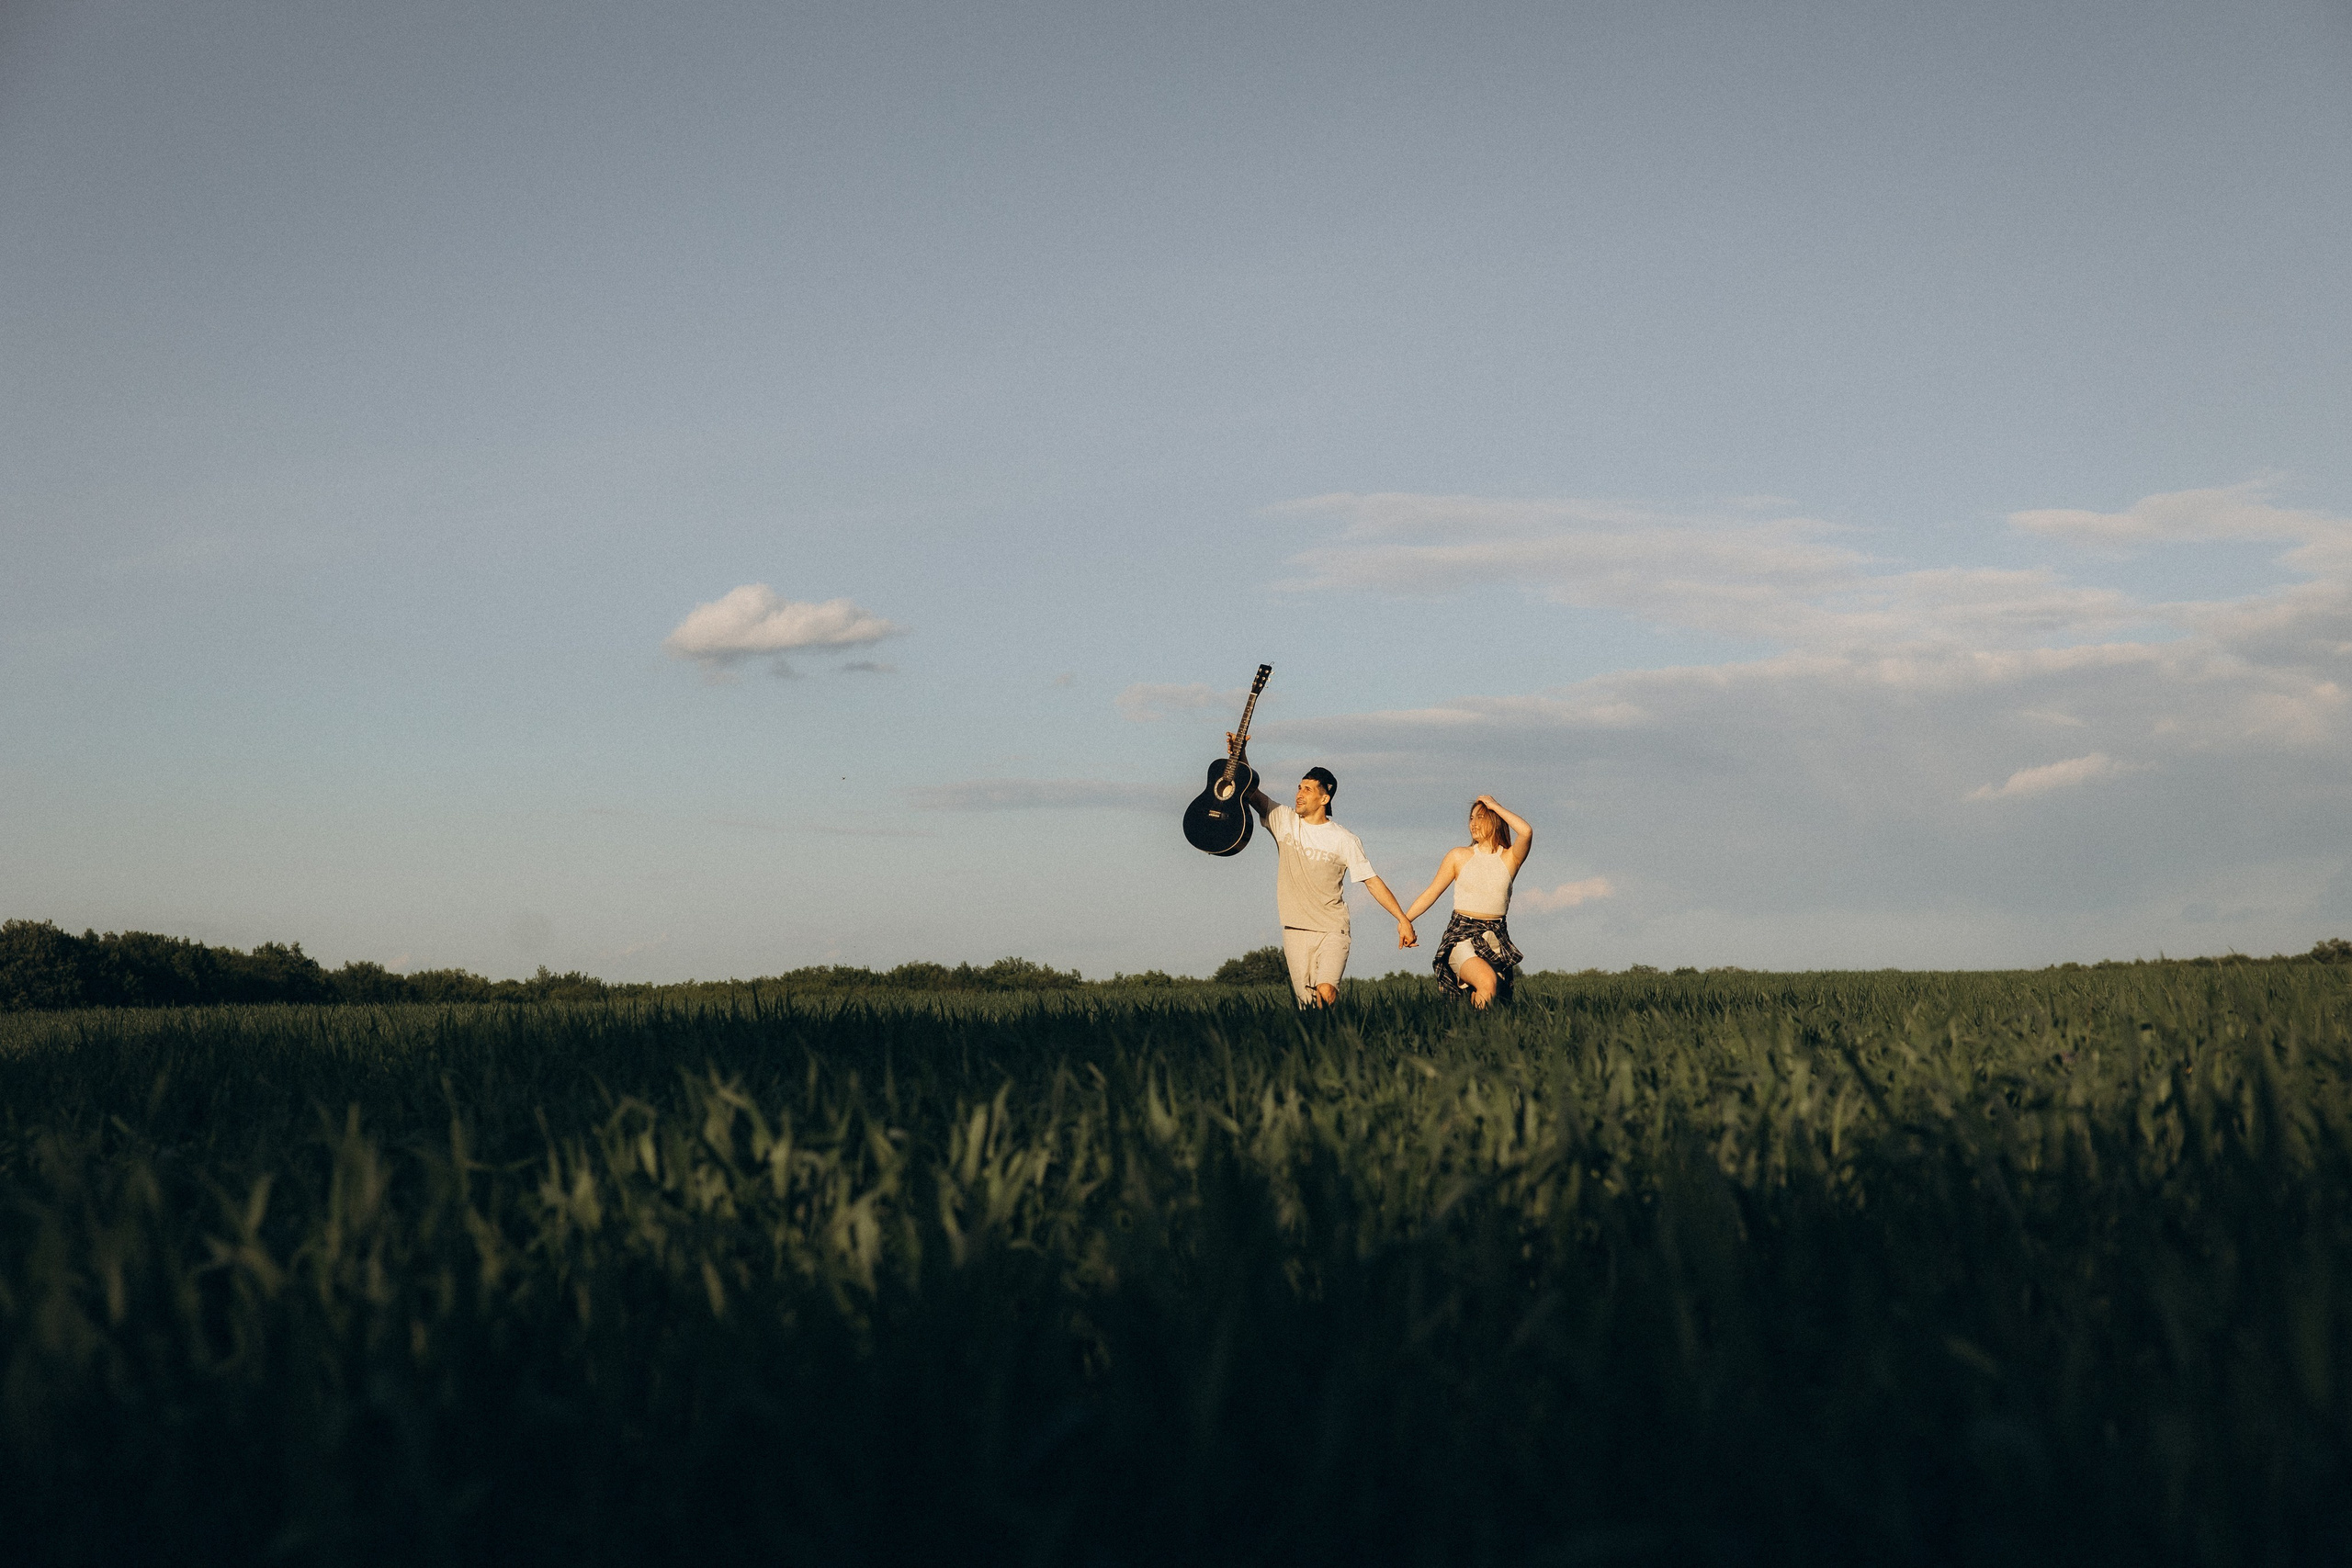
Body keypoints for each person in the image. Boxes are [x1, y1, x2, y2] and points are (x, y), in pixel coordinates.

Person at [1230, 746, 1417, 1007]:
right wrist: (1240, 755)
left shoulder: (1344, 839)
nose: (1299, 794)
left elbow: (1371, 881)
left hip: (1333, 928)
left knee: (1326, 992)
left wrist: (1402, 919)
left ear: (1325, 799)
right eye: (1299, 787)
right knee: (1308, 1006)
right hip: (1295, 930)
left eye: (1307, 790)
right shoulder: (1283, 820)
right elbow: (1250, 791)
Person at [1402, 795, 1532, 1008]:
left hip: (1496, 936)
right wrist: (1405, 921)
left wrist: (1495, 806)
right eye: (1471, 818)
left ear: (1494, 819)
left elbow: (1526, 831)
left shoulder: (1510, 858)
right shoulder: (1458, 856)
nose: (1474, 823)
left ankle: (1473, 1036)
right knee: (1486, 981)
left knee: (1491, 997)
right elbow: (1431, 892)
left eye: (1481, 817)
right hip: (1462, 933)